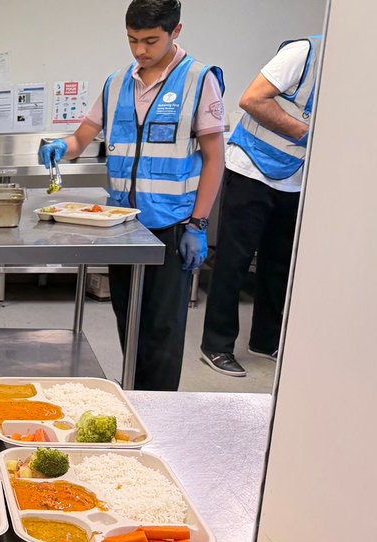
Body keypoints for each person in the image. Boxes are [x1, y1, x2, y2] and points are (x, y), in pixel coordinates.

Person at [39, 0, 225, 390]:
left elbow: (214, 159)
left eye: (150, 40)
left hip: (172, 228)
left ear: (176, 32)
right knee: (130, 322)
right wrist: (61, 146)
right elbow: (82, 138)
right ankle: (136, 403)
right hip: (123, 228)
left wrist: (199, 224)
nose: (141, 50)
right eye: (133, 40)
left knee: (163, 331)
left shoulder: (198, 79)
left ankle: (159, 416)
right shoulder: (116, 82)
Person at [199, 36, 320, 377]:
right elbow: (252, 99)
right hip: (251, 166)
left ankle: (265, 340)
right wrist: (310, 134)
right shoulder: (305, 52)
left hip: (294, 176)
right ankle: (216, 346)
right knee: (233, 261)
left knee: (279, 262)